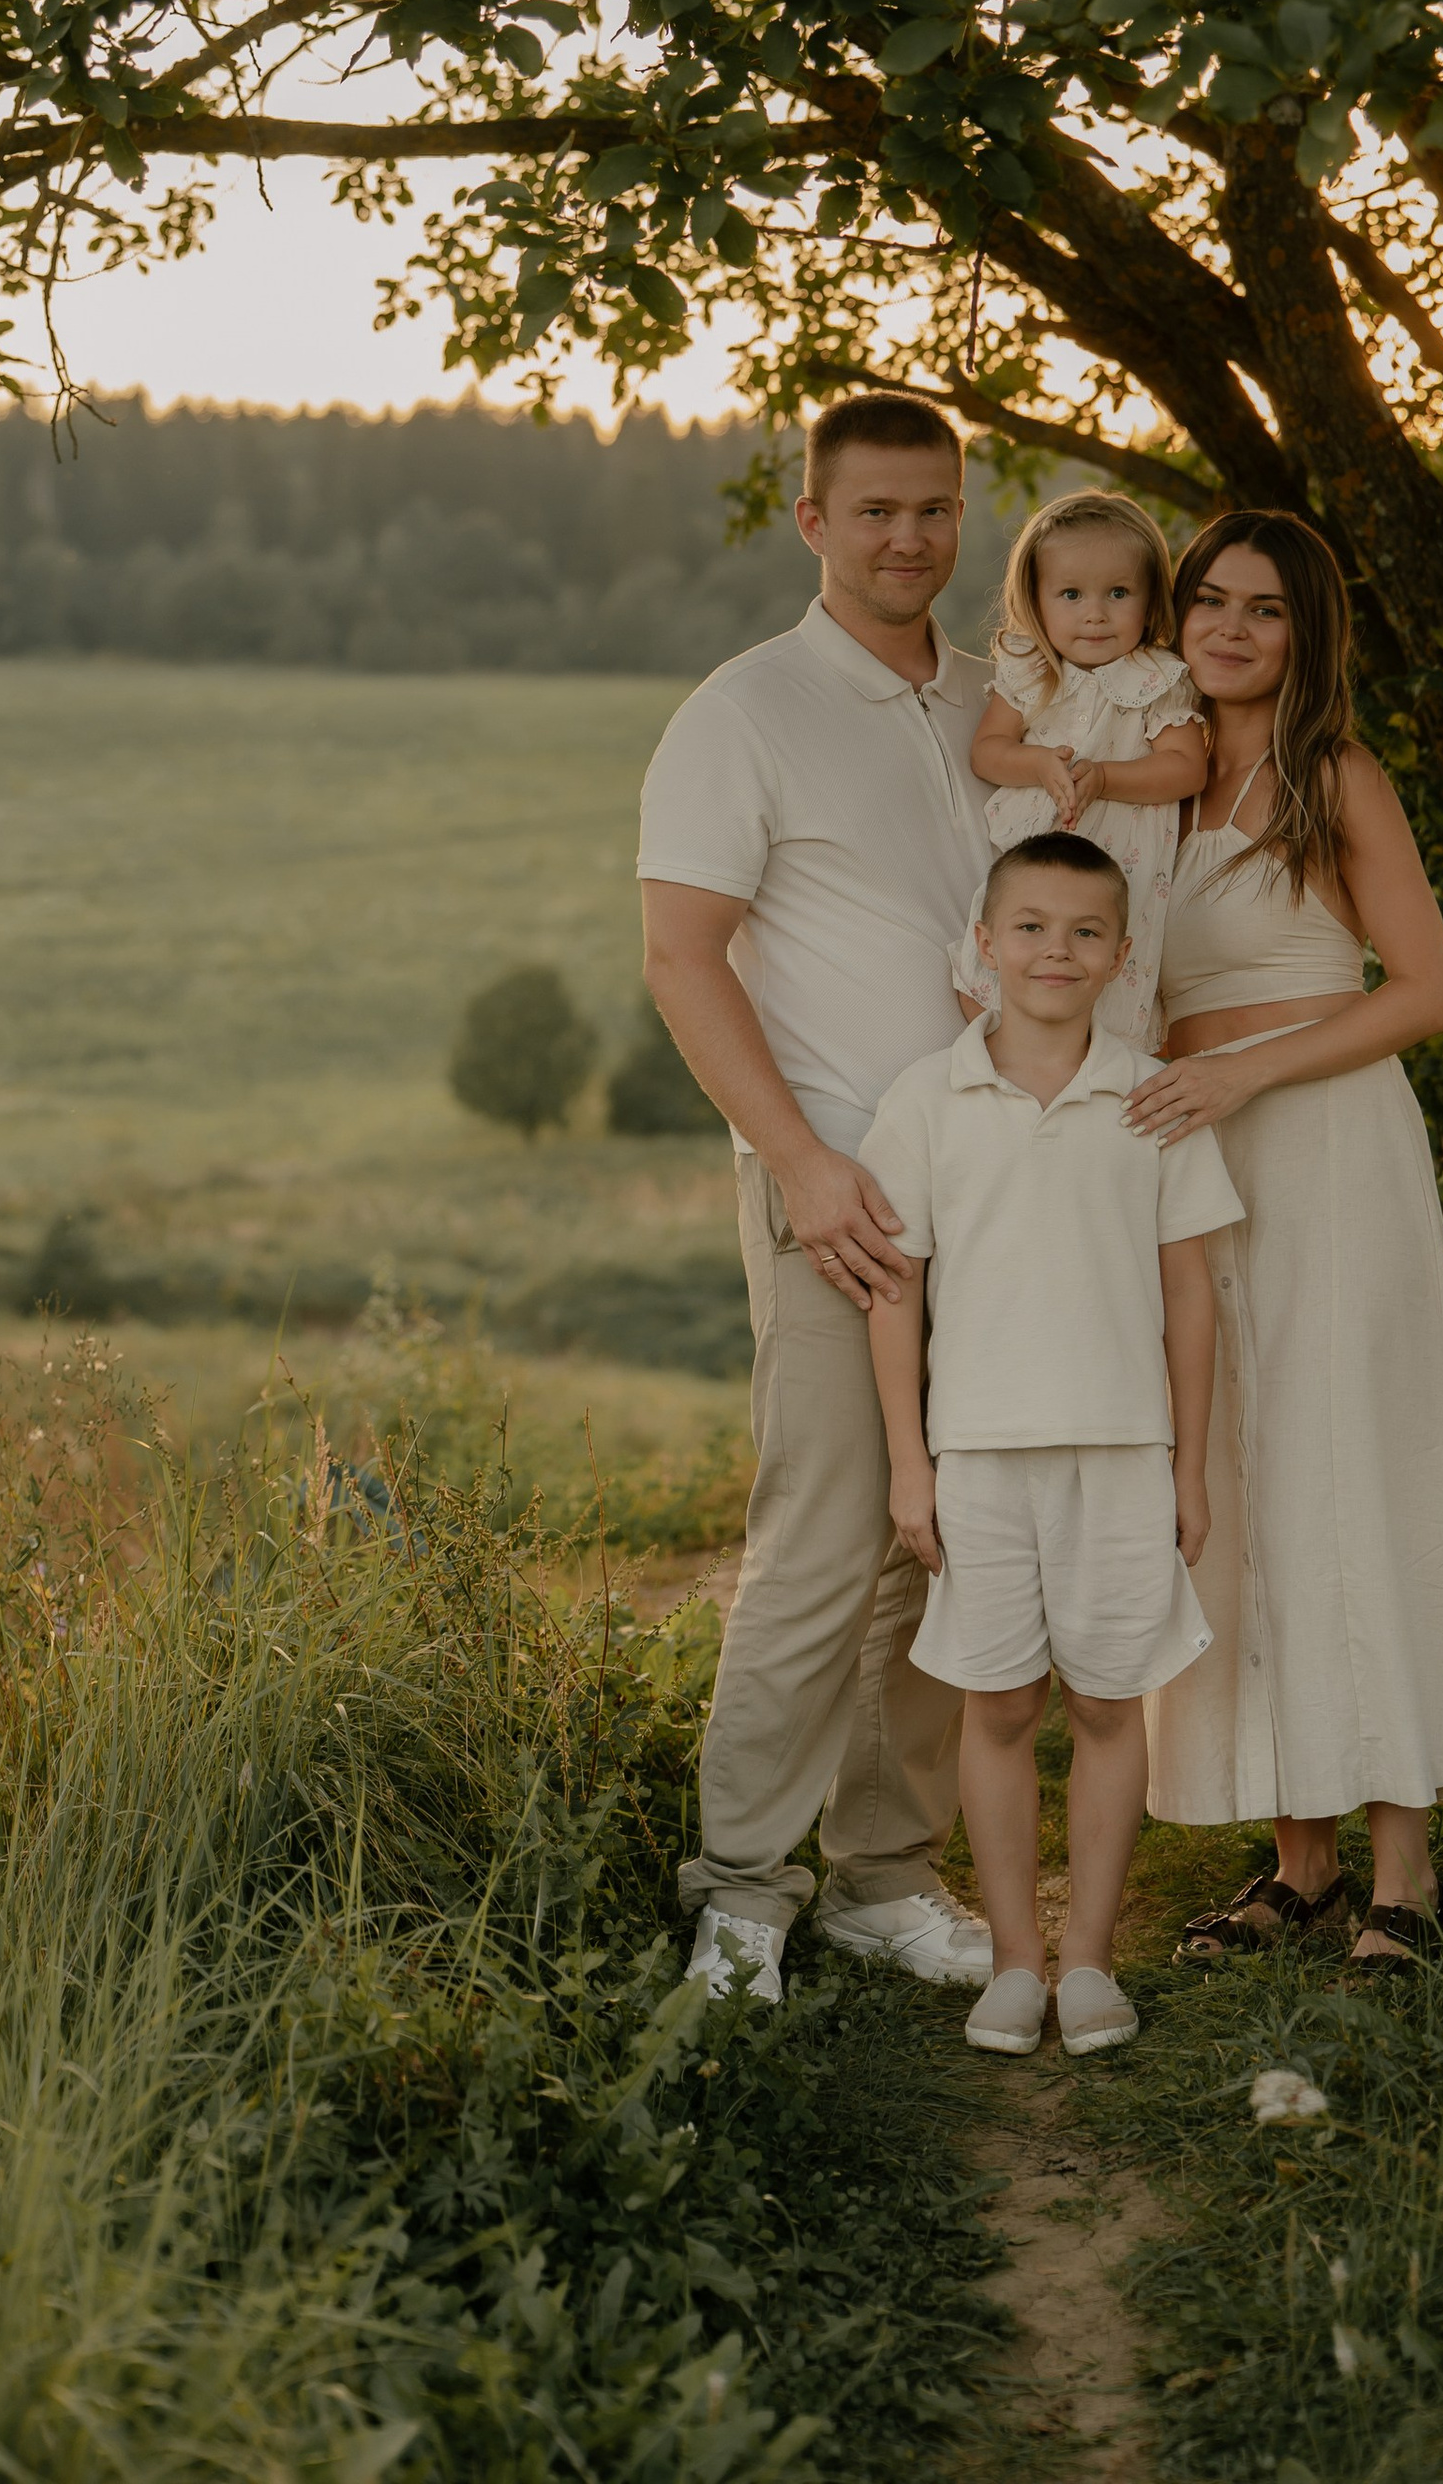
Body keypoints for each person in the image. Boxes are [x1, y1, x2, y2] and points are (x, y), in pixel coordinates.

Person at [637, 393, 994, 2004]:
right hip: (837, 1192)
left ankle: (883, 1875)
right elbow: (679, 956)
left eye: (932, 509)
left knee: (942, 1546)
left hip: (994, 1196)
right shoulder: (747, 710)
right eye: (874, 511)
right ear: (812, 522)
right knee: (824, 1541)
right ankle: (740, 1895)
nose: (907, 537)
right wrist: (798, 1160)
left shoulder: (995, 705)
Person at [1129, 510, 1443, 1966]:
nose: (1231, 629)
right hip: (1189, 1158)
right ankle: (1294, 1858)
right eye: (1210, 601)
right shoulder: (1156, 792)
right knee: (1232, 1471)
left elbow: (1425, 992)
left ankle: (1405, 1871)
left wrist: (1245, 1069)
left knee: (1350, 1462)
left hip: (1329, 1146)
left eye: (1267, 610)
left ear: (1310, 635)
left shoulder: (1331, 775)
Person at [864, 830, 1238, 2054]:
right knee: (1001, 1705)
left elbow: (1192, 1297)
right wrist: (909, 1464)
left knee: (1110, 1705)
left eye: (1084, 932)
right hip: (976, 1453)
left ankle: (1089, 1965)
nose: (1054, 952)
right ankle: (1014, 1965)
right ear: (982, 944)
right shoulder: (925, 1099)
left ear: (1121, 955)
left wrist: (1188, 1465)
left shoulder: (1152, 1099)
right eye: (1028, 926)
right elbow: (894, 1295)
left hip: (1123, 1454)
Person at [953, 492, 1208, 1048]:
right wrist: (1039, 762)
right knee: (1001, 964)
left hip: (1124, 857)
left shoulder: (1158, 678)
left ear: (1149, 600)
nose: (1095, 613)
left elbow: (1186, 769)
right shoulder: (1031, 670)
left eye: (1118, 593)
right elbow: (988, 752)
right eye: (1071, 594)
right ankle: (1003, 1071)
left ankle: (1100, 1077)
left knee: (1108, 966)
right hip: (1036, 853)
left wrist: (1108, 777)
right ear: (1037, 600)